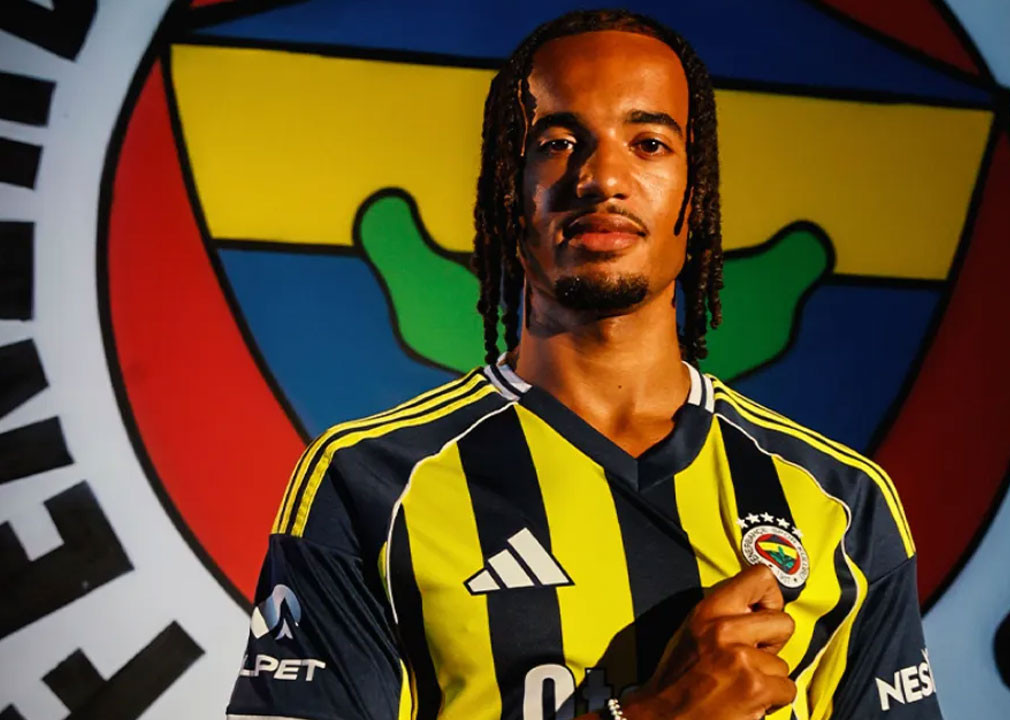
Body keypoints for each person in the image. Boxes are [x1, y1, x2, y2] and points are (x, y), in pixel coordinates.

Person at [227, 9, 940, 720]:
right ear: (509, 190)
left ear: (695, 194)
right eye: (559, 143)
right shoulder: (371, 484)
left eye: (649, 143)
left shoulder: (838, 502)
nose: (602, 177)